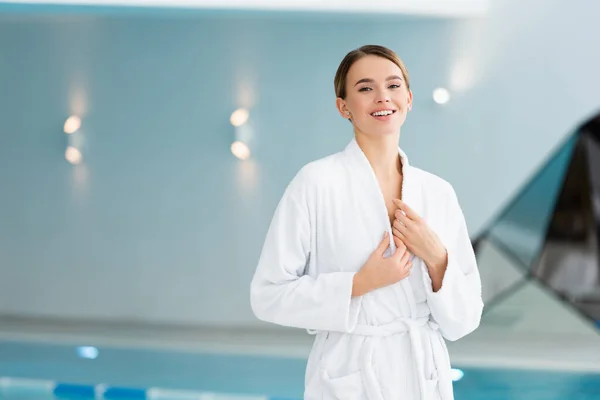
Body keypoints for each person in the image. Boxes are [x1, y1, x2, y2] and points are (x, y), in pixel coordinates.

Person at [250, 44, 483, 400]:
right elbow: (268, 295)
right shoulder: (316, 183)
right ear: (344, 106)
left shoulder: (438, 192)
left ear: (408, 98)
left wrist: (437, 258)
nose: (382, 97)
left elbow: (464, 321)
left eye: (393, 85)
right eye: (364, 88)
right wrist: (358, 283)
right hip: (350, 377)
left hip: (423, 376)